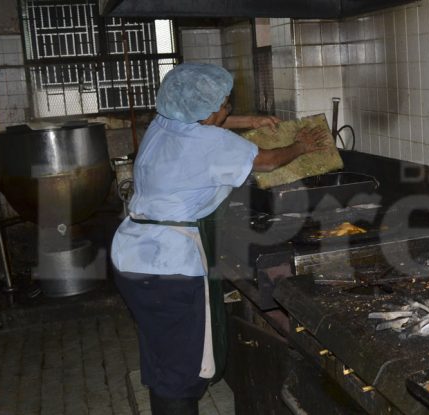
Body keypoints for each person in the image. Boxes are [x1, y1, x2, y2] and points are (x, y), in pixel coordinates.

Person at [111, 63, 327, 415]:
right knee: (182, 370)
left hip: (132, 253)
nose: (228, 109)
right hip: (170, 266)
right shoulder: (210, 143)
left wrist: (252, 121)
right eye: (225, 104)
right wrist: (300, 146)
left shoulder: (163, 123)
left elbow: (208, 121)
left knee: (162, 354)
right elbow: (269, 161)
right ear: (208, 111)